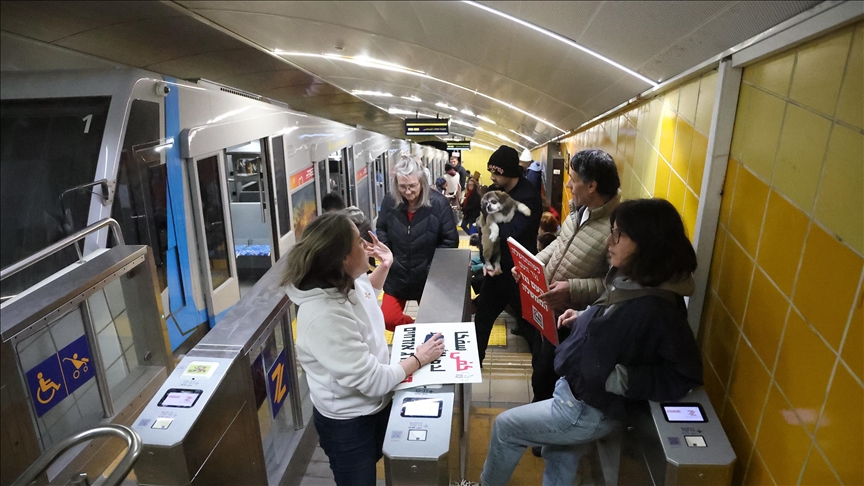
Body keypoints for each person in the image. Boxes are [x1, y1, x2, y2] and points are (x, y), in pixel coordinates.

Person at [480, 198, 704, 486]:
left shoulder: (657, 307)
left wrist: (619, 379)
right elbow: (617, 319)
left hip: (586, 408)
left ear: (647, 242)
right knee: (558, 455)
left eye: (619, 235)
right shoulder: (635, 278)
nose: (609, 241)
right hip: (575, 391)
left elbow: (685, 372)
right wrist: (583, 316)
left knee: (506, 428)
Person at [283, 212, 445, 486]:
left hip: (375, 406)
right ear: (344, 258)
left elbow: (366, 292)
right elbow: (373, 381)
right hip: (349, 424)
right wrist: (419, 358)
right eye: (359, 242)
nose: (367, 246)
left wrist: (386, 264)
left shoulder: (341, 278)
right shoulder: (325, 317)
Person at [525, 149, 622, 407]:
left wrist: (573, 288)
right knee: (538, 367)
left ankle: (544, 424)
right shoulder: (579, 211)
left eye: (573, 179)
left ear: (592, 186)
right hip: (547, 310)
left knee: (551, 378)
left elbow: (615, 285)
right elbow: (559, 244)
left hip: (571, 322)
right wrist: (531, 265)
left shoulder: (615, 228)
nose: (568, 184)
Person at [474, 145, 542, 364]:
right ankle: (472, 367)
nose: (492, 177)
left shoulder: (528, 197)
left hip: (519, 273)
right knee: (482, 320)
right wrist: (487, 261)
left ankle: (543, 373)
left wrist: (488, 219)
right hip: (496, 270)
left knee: (530, 327)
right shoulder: (496, 192)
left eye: (496, 172)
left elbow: (510, 232)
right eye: (491, 171)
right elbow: (485, 230)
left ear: (510, 172)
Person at [376, 154, 458, 330]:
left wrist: (431, 267)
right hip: (397, 274)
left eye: (412, 186)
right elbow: (381, 228)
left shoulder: (439, 204)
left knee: (434, 324)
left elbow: (450, 241)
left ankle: (422, 334)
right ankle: (416, 329)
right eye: (402, 187)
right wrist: (389, 256)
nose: (407, 192)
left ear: (422, 182)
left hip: (428, 278)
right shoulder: (390, 201)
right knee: (388, 319)